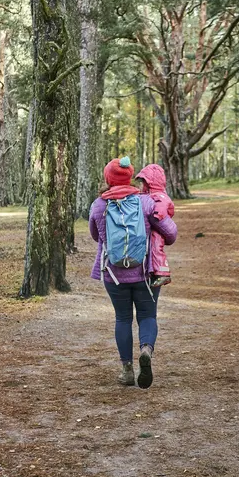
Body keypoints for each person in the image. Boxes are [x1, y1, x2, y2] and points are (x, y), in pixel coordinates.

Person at [90, 157, 177, 389]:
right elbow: (171, 234)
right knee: (148, 315)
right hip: (145, 274)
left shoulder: (99, 205)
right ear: (130, 177)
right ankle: (146, 350)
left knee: (123, 319)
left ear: (108, 178)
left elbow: (96, 236)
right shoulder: (146, 203)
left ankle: (127, 370)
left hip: (114, 274)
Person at [136, 164, 174, 289]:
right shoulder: (151, 196)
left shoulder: (160, 195)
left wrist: (157, 214)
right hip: (155, 228)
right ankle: (157, 271)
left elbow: (163, 206)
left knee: (157, 248)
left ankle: (163, 273)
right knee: (154, 249)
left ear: (150, 183)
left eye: (143, 182)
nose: (141, 186)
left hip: (158, 229)